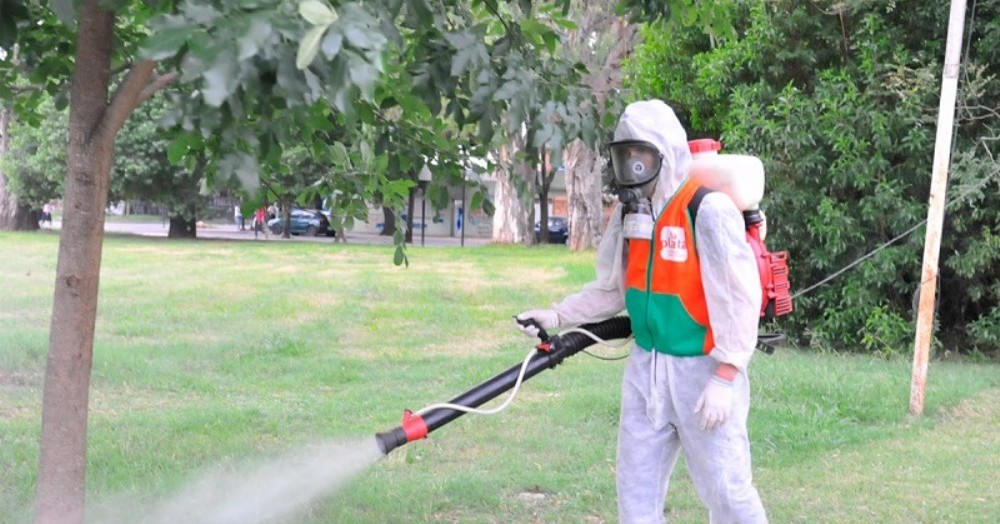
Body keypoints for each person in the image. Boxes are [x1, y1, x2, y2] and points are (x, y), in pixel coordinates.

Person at [515, 100, 767, 523]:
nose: (632, 167)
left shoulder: (705, 210)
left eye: (642, 156)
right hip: (646, 371)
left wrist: (727, 374)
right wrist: (558, 315)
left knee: (726, 491)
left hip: (702, 372)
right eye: (625, 155)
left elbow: (740, 298)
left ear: (664, 154)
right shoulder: (630, 215)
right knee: (636, 493)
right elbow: (612, 289)